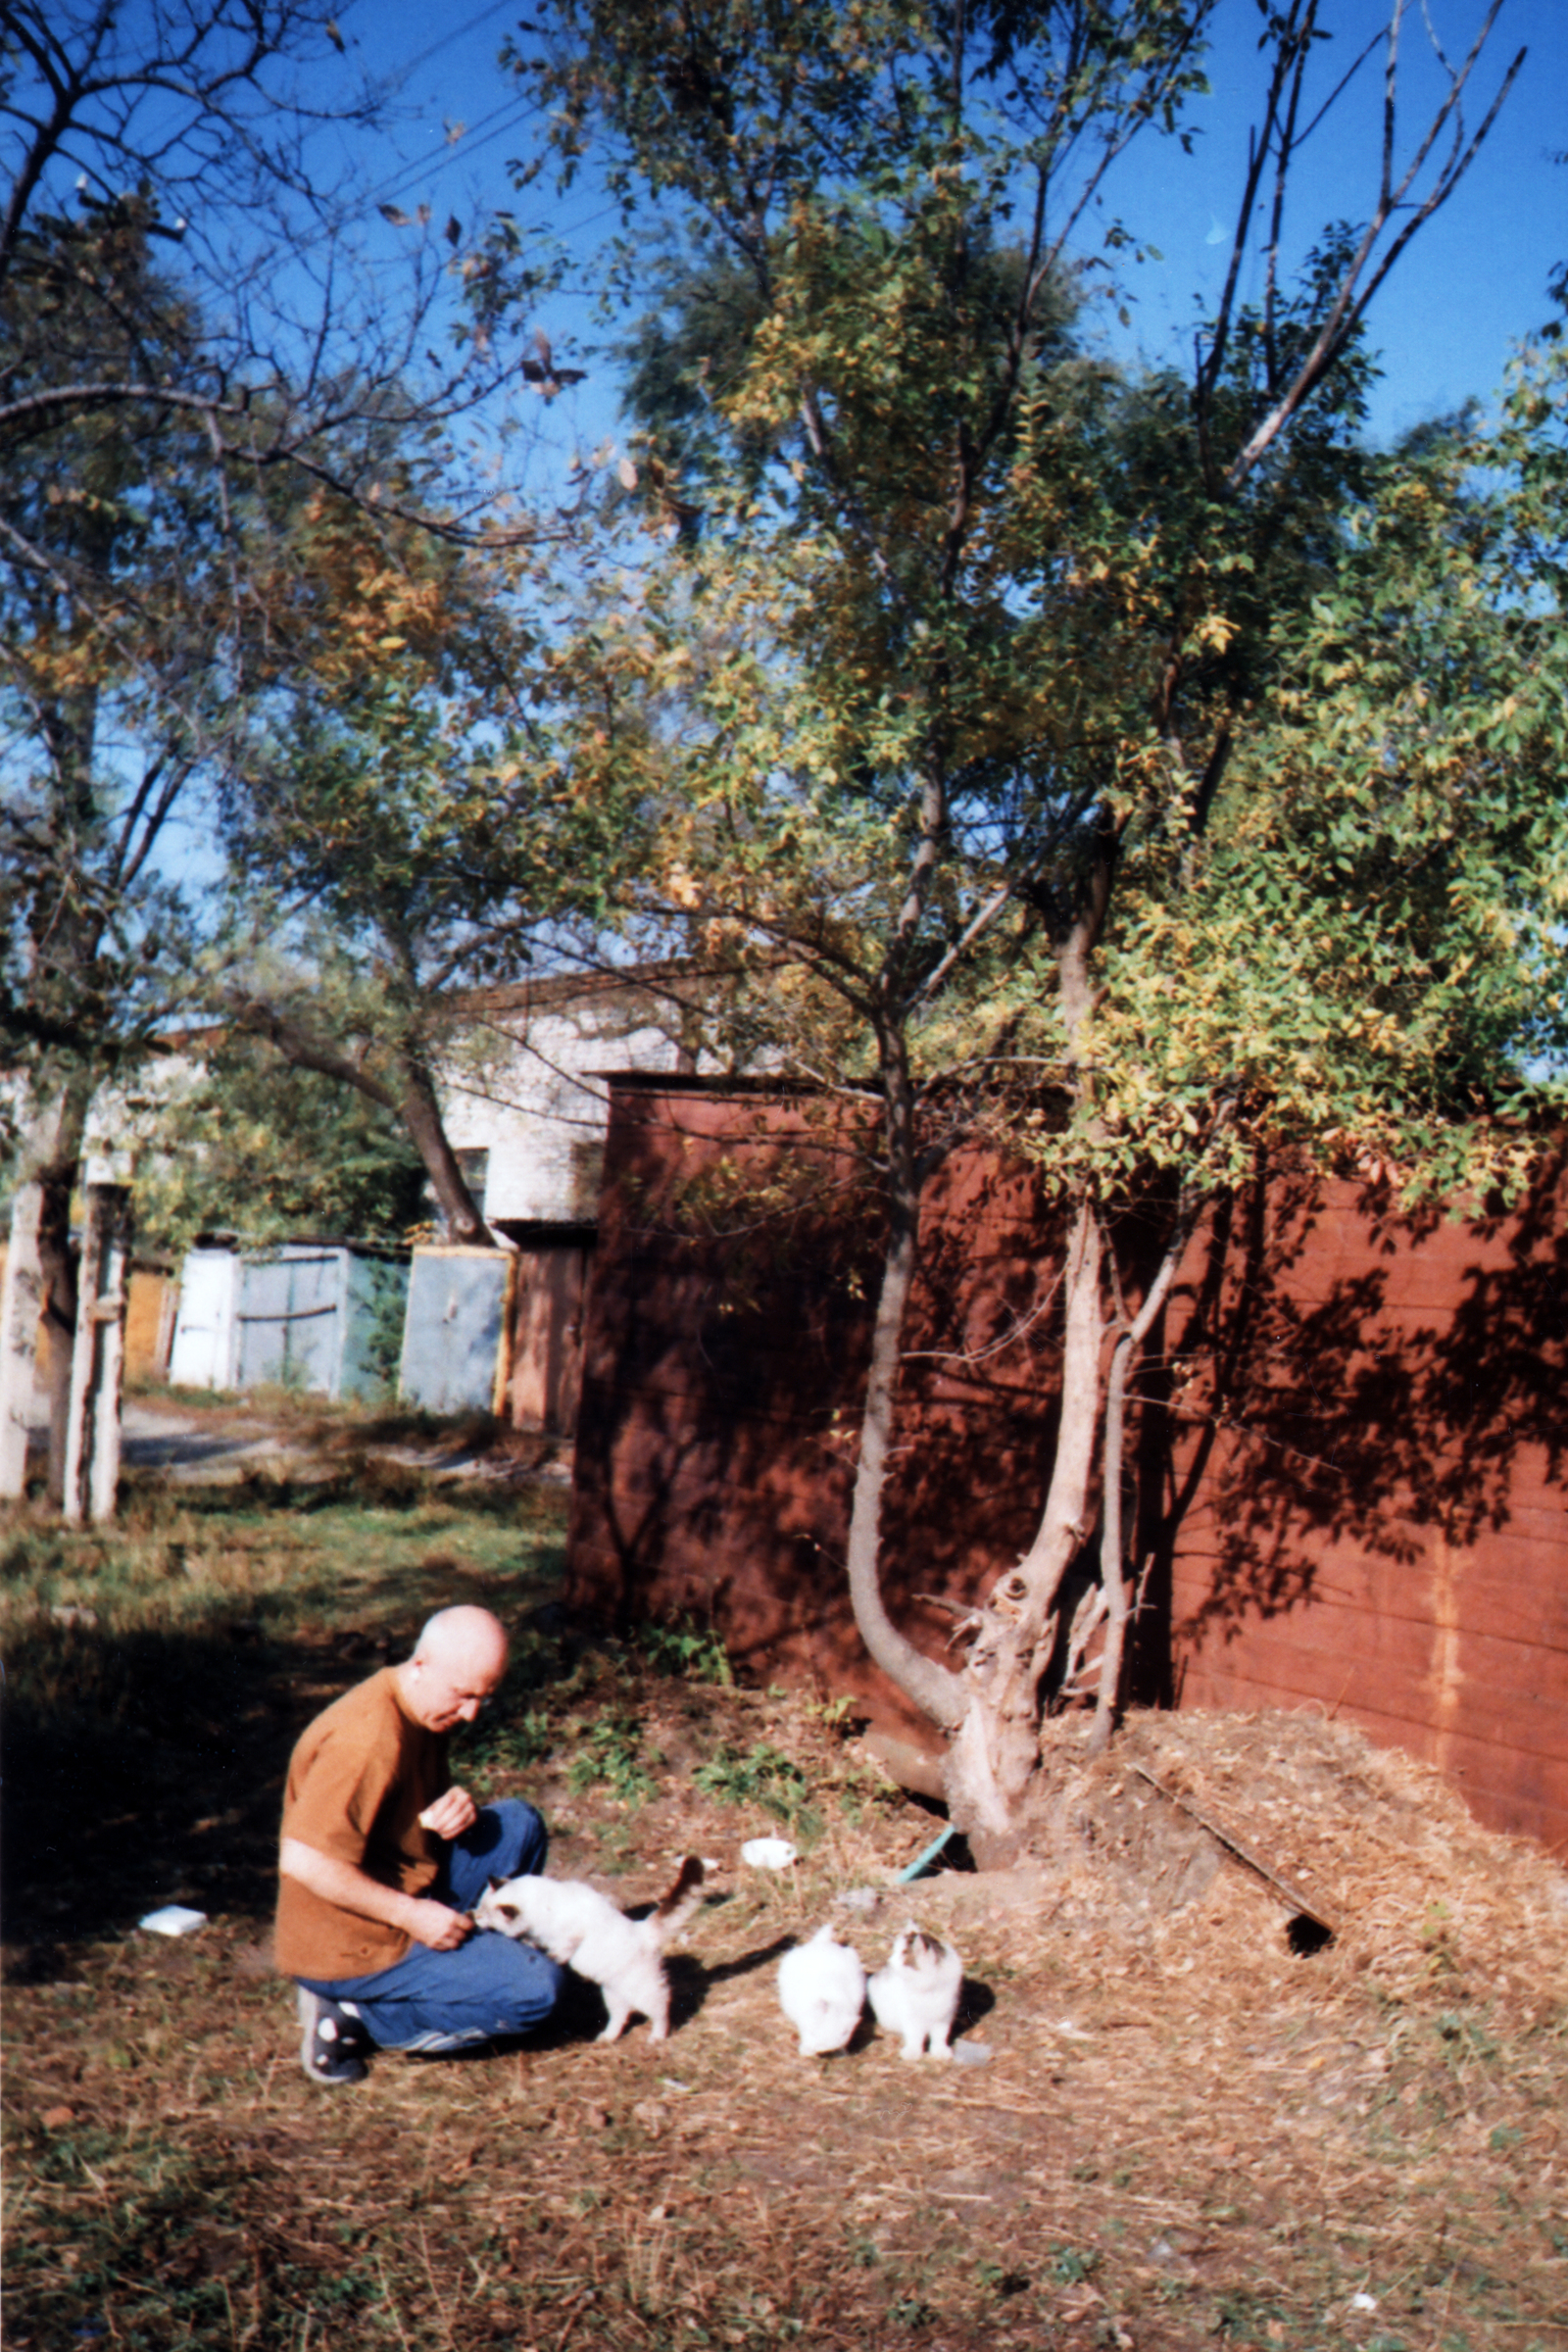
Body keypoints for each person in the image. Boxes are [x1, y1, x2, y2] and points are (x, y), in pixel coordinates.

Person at [276, 1603, 564, 2085]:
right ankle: (354, 2013)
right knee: (539, 1991)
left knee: (518, 1824)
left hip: (399, 1880)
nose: (471, 1713)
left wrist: (447, 1810)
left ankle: (469, 1962)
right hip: (350, 1939)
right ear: (422, 1663)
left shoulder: (422, 1706)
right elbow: (303, 1859)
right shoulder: (365, 1738)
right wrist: (412, 1916)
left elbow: (391, 1811)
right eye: (464, 1695)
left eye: (483, 1699)